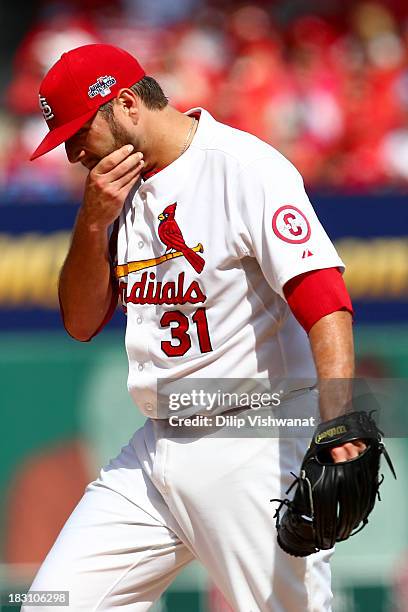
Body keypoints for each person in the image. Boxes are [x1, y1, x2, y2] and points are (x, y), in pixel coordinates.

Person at [26, 43, 363, 611]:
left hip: (251, 439)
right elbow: (81, 324)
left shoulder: (245, 169)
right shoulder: (114, 193)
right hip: (154, 452)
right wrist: (90, 223)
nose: (74, 153)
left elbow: (325, 299)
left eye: (80, 133)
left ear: (127, 104)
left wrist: (337, 419)